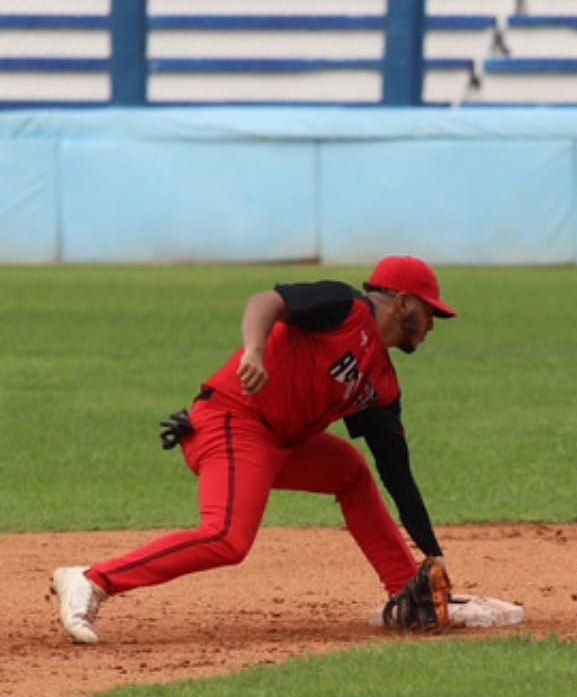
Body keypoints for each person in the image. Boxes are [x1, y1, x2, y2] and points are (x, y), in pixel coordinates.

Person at [51, 255, 457, 644]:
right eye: (429, 313)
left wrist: (432, 559)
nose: (431, 325)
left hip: (281, 443)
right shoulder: (345, 307)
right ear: (402, 301)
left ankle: (407, 592)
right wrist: (255, 351)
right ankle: (91, 580)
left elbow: (396, 473)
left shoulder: (381, 383)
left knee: (350, 470)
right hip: (233, 420)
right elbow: (266, 301)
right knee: (227, 538)